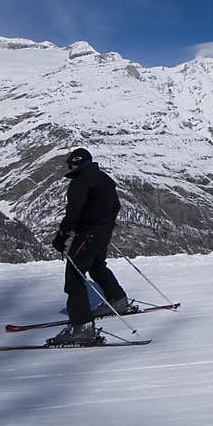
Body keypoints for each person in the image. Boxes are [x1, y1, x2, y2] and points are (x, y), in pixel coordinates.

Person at [47, 148, 131, 345]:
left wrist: (62, 236)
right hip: (104, 230)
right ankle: (117, 300)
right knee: (97, 265)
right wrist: (106, 224)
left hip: (88, 233)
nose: (70, 167)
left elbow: (73, 212)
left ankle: (82, 328)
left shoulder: (80, 182)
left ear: (76, 163)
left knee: (74, 277)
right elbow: (116, 206)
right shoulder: (105, 178)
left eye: (71, 164)